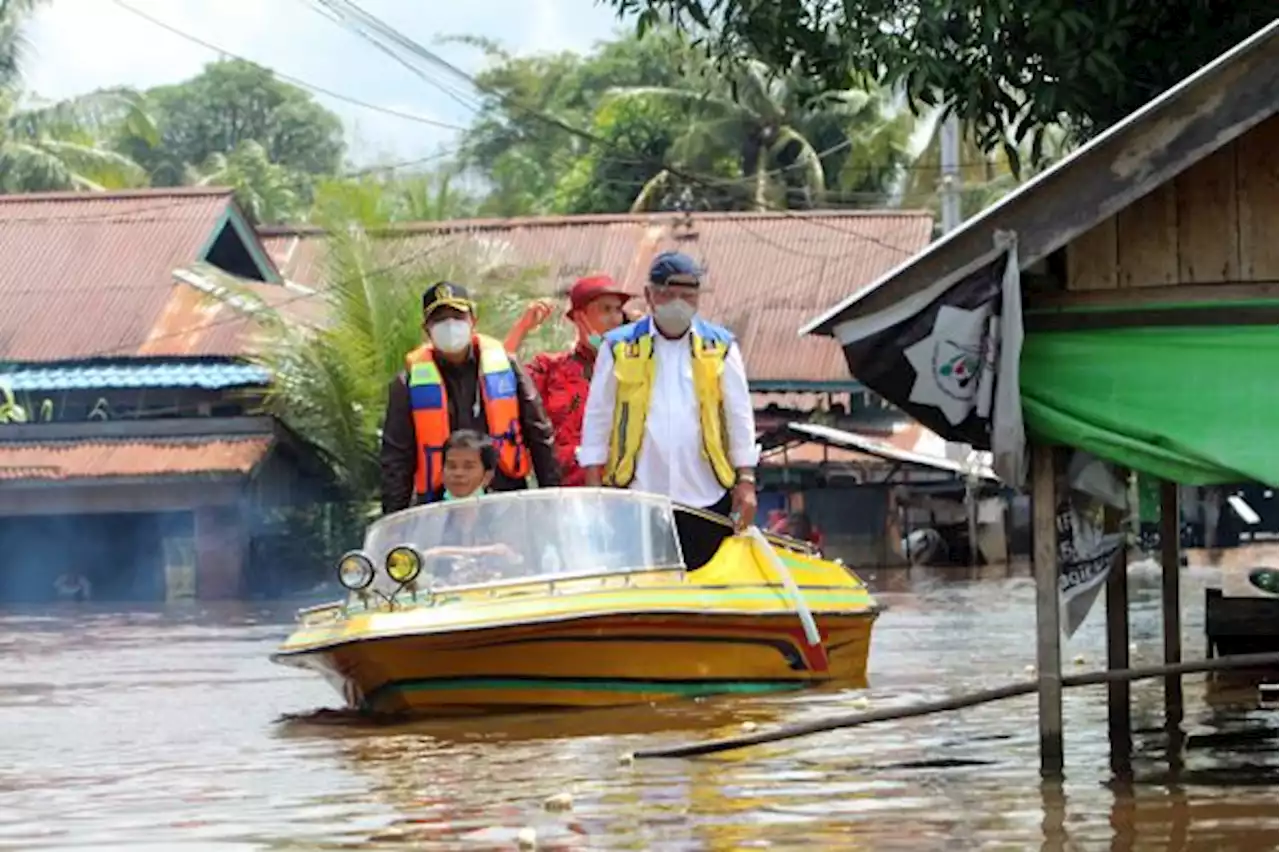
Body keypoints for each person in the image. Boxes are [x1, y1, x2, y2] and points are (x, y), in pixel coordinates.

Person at [577, 251, 759, 570]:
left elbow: (739, 415)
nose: (678, 302)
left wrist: (746, 480)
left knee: (706, 588)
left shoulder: (721, 346)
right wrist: (593, 475)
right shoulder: (618, 346)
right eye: (668, 294)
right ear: (649, 295)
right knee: (646, 587)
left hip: (706, 492)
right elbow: (599, 415)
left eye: (687, 295)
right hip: (639, 492)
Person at [379, 281, 560, 514]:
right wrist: (395, 519)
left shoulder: (507, 367)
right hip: (438, 507)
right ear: (427, 329)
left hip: (505, 500)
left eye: (457, 316)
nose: (450, 325)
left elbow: (539, 433)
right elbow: (396, 458)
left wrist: (552, 500)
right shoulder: (408, 382)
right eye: (440, 320)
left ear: (473, 321)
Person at [505, 274, 633, 487]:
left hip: (621, 490)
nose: (614, 319)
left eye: (618, 310)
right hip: (565, 492)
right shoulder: (550, 369)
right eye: (605, 309)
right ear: (579, 316)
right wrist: (522, 328)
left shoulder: (634, 368)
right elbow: (498, 380)